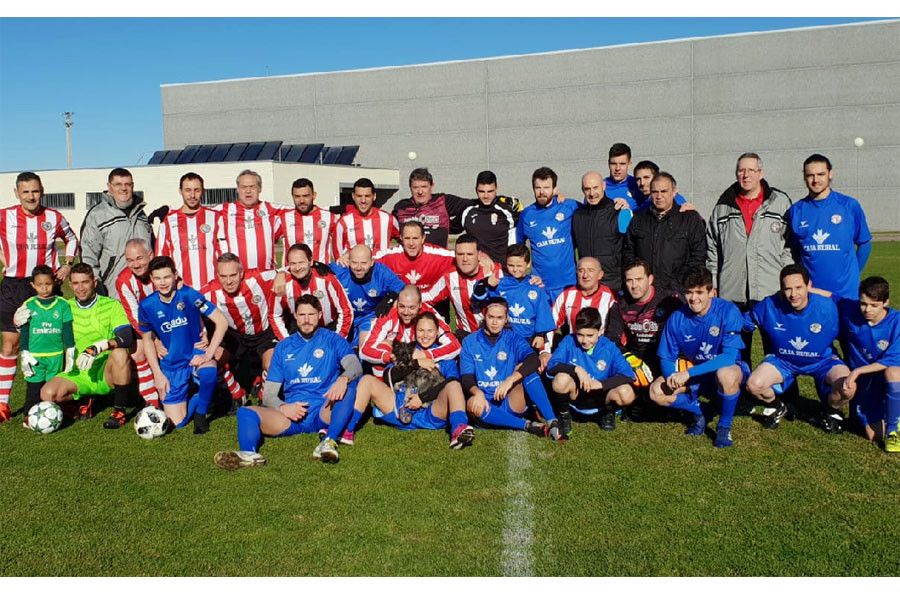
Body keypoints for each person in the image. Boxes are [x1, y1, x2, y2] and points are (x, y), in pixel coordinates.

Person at [213, 295, 363, 468]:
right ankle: (249, 454)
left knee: (351, 385)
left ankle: (329, 440)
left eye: (311, 315)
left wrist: (343, 378)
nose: (306, 320)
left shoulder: (333, 339)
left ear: (320, 315)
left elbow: (355, 366)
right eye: (302, 315)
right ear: (295, 316)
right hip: (293, 414)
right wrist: (284, 407)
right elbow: (269, 395)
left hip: (325, 409)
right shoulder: (284, 347)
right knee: (246, 412)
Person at [0, 172, 78, 421]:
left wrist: (67, 264)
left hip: (45, 286)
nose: (31, 196)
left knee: (51, 345)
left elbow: (72, 239)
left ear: (42, 190)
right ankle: (3, 404)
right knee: (10, 344)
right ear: (16, 193)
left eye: (35, 191)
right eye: (26, 192)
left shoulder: (53, 217)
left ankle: (54, 398)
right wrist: (4, 259)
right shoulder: (5, 216)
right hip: (13, 286)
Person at [706, 152, 793, 365]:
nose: (746, 175)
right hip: (732, 292)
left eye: (751, 170)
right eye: (741, 170)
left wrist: (787, 279)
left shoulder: (780, 202)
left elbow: (790, 246)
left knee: (776, 347)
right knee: (736, 351)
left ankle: (782, 394)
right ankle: (739, 393)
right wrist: (714, 283)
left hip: (770, 290)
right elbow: (712, 250)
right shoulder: (723, 206)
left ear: (760, 173)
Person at [743, 264, 852, 433]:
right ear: (781, 289)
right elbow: (742, 322)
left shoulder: (829, 307)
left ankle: (831, 411)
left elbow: (856, 316)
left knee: (848, 386)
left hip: (823, 361)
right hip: (784, 361)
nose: (793, 294)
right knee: (754, 385)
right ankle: (778, 407)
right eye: (788, 289)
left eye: (798, 287)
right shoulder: (769, 305)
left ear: (809, 286)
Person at [345, 312, 476, 449]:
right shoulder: (406, 350)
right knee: (367, 380)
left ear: (437, 332)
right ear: (415, 331)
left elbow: (452, 382)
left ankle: (458, 429)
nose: (425, 335)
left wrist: (422, 398)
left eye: (430, 331)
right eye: (421, 330)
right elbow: (388, 376)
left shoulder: (444, 355)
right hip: (399, 408)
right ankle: (347, 429)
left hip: (432, 413)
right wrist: (416, 363)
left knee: (454, 385)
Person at [649, 267, 748, 448]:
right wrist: (672, 378)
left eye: (700, 292)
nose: (694, 298)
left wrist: (688, 373)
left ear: (712, 292)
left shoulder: (728, 311)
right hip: (697, 376)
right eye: (689, 292)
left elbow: (729, 357)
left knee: (726, 374)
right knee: (656, 391)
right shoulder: (677, 318)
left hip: (728, 370)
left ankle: (724, 427)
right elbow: (666, 357)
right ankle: (701, 411)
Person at [37, 264, 135, 429]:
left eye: (85, 282)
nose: (80, 288)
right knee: (47, 394)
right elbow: (44, 332)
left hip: (105, 371)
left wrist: (101, 346)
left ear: (94, 282)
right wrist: (22, 325)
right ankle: (83, 400)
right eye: (76, 283)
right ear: (70, 285)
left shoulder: (111, 305)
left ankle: (119, 411)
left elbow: (127, 337)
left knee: (120, 353)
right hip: (78, 372)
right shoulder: (64, 307)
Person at [138, 256, 229, 433]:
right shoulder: (147, 305)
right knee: (178, 422)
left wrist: (208, 354)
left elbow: (221, 321)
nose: (162, 282)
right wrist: (157, 374)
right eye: (157, 278)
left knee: (209, 371)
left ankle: (201, 414)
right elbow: (147, 340)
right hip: (172, 363)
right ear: (151, 278)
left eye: (166, 277)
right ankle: (199, 397)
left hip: (195, 352)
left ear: (175, 275)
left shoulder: (189, 295)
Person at [460, 297, 562, 440]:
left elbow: (533, 360)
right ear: (484, 316)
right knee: (472, 403)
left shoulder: (513, 338)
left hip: (511, 401)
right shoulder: (470, 341)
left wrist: (510, 380)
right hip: (486, 408)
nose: (495, 322)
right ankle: (526, 425)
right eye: (491, 317)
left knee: (525, 368)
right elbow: (466, 377)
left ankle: (552, 421)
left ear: (506, 318)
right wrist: (477, 393)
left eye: (500, 318)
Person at [786, 153, 872, 299]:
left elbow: (864, 243)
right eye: (810, 175)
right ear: (804, 177)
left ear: (830, 174)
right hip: (812, 294)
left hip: (846, 293)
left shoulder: (849, 206)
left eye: (821, 174)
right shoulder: (796, 210)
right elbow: (794, 251)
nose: (815, 180)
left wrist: (854, 274)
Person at [829, 276, 900, 452]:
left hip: (887, 376)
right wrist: (804, 289)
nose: (867, 309)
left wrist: (857, 371)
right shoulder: (851, 310)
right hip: (867, 383)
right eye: (863, 303)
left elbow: (892, 359)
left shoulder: (897, 322)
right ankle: (890, 412)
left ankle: (893, 431)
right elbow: (831, 295)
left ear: (886, 302)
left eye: (874, 305)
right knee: (873, 436)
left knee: (893, 372)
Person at [202, 253, 280, 405]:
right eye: (223, 276)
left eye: (233, 275)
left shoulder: (258, 277)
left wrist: (282, 274)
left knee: (271, 365)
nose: (229, 281)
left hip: (264, 333)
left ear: (242, 273)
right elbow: (187, 304)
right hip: (235, 336)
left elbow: (289, 270)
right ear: (217, 275)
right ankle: (237, 393)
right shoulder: (209, 292)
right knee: (212, 361)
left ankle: (264, 394)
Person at [547, 307, 636, 435]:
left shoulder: (609, 346)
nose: (584, 340)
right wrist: (576, 369)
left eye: (590, 335)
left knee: (627, 392)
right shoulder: (568, 341)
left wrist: (601, 384)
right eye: (580, 334)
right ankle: (564, 414)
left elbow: (628, 375)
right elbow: (552, 365)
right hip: (577, 394)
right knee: (560, 379)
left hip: (601, 397)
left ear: (599, 331)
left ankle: (608, 412)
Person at [472, 243, 555, 369]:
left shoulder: (535, 286)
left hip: (529, 339)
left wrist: (540, 334)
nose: (515, 269)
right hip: (505, 339)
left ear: (528, 264)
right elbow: (478, 297)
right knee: (504, 368)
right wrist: (486, 283)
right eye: (511, 265)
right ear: (506, 263)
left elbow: (542, 311)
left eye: (519, 265)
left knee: (529, 370)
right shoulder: (501, 284)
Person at [623, 172, 707, 292]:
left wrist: (681, 283)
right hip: (647, 292)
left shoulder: (689, 219)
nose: (659, 196)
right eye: (655, 192)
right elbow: (628, 253)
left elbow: (699, 256)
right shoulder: (638, 220)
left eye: (664, 191)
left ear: (674, 192)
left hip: (679, 291)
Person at [80, 167, 153, 300]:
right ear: (109, 187)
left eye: (127, 184)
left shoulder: (141, 215)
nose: (123, 188)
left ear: (132, 186)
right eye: (118, 184)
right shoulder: (97, 215)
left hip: (145, 292)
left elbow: (152, 250)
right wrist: (96, 284)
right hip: (113, 292)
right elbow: (88, 254)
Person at [361, 285, 459, 379]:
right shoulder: (388, 316)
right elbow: (365, 351)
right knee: (384, 345)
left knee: (443, 352)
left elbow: (455, 345)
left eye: (412, 308)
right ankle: (384, 387)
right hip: (397, 362)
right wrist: (390, 357)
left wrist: (426, 355)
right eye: (402, 306)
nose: (406, 312)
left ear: (420, 305)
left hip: (423, 356)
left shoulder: (429, 315)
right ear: (397, 303)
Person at [18, 266, 75, 426]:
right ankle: (29, 415)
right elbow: (25, 331)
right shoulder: (29, 305)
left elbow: (67, 330)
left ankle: (55, 417)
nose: (44, 288)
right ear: (33, 285)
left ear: (54, 283)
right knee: (34, 389)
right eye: (40, 284)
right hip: (34, 357)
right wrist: (25, 352)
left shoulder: (62, 305)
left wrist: (69, 351)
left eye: (48, 284)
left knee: (53, 389)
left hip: (55, 356)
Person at [515, 167, 578, 300]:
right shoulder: (527, 214)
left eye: (546, 187)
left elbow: (594, 210)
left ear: (555, 189)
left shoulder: (569, 206)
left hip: (569, 284)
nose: (542, 192)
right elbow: (519, 247)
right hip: (541, 285)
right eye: (538, 187)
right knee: (544, 321)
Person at [422, 234, 502, 339]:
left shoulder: (495, 272)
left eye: (470, 254)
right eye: (460, 254)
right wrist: (402, 298)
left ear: (479, 255)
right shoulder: (449, 276)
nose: (465, 259)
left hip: (497, 337)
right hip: (466, 336)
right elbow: (426, 297)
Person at [329, 244, 405, 349]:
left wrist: (390, 299)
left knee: (365, 348)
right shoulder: (339, 269)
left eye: (364, 263)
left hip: (369, 317)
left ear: (372, 262)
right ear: (349, 261)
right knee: (340, 349)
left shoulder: (381, 272)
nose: (359, 267)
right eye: (354, 262)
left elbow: (403, 290)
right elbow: (315, 271)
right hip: (346, 317)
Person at [270, 243, 353, 340]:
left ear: (311, 262)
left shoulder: (327, 279)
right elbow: (274, 315)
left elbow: (346, 311)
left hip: (328, 329)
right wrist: (286, 341)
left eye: (301, 262)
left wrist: (338, 339)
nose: (297, 268)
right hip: (299, 332)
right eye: (293, 263)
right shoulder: (282, 284)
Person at [115, 239, 161, 408]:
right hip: (144, 326)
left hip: (169, 321)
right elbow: (135, 317)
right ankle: (152, 404)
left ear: (150, 255)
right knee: (138, 353)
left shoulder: (162, 271)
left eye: (140, 258)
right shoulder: (123, 281)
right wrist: (154, 340)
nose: (135, 264)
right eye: (130, 260)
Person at [156, 172, 222, 290]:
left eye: (197, 190)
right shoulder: (168, 221)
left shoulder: (215, 217)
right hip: (181, 290)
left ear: (203, 191)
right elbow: (161, 259)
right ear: (180, 191)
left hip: (212, 288)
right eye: (187, 190)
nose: (192, 195)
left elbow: (224, 253)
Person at [215, 169, 283, 271]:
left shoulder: (272, 210)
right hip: (234, 280)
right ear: (237, 189)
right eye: (243, 187)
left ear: (259, 188)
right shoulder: (221, 211)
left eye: (252, 187)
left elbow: (302, 210)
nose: (248, 191)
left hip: (266, 278)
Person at [392, 167, 475, 248]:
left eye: (424, 187)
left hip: (438, 260)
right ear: (410, 188)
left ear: (432, 186)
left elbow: (473, 205)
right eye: (416, 187)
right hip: (410, 260)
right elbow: (390, 230)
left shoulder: (442, 201)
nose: (420, 192)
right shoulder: (401, 207)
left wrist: (454, 226)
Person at [571, 171, 625, 291]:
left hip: (614, 285)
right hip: (588, 285)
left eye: (595, 188)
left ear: (604, 186)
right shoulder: (578, 216)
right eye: (587, 189)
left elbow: (631, 248)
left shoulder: (621, 211)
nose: (592, 193)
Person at [374, 220, 455, 295]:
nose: (411, 243)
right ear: (401, 238)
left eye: (415, 238)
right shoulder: (388, 256)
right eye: (407, 238)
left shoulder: (438, 255)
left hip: (431, 305)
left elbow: (463, 257)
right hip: (400, 305)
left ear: (423, 238)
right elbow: (366, 259)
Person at [460, 171, 518, 265]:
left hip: (501, 271)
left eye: (490, 191)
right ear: (476, 190)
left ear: (496, 189)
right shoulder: (467, 211)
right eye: (481, 191)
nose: (486, 196)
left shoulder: (507, 211)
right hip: (475, 271)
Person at [551, 257, 617, 337]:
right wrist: (545, 349)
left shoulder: (610, 296)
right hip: (574, 347)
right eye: (581, 270)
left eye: (590, 270)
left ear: (600, 275)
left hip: (603, 347)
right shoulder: (566, 295)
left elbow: (620, 330)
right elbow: (549, 324)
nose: (585, 275)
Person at [333, 177, 399, 257]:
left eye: (367, 196)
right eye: (359, 196)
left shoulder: (388, 219)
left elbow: (405, 241)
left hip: (382, 268)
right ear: (353, 196)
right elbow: (338, 256)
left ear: (374, 196)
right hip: (355, 269)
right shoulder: (343, 222)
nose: (363, 200)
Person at [276, 177, 337, 265]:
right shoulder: (284, 219)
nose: (301, 201)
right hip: (292, 275)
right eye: (297, 196)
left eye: (305, 196)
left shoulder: (329, 217)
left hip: (321, 275)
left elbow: (345, 242)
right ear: (292, 196)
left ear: (314, 195)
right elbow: (266, 241)